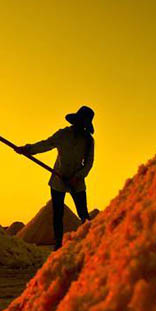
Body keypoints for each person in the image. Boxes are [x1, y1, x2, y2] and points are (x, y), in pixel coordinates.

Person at [16, 105, 95, 250]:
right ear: (75, 121)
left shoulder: (89, 141)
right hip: (59, 178)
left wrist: (77, 177)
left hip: (77, 181)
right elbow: (46, 144)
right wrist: (27, 149)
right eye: (79, 122)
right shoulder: (63, 134)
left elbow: (89, 163)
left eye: (83, 124)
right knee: (57, 213)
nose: (80, 126)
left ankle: (91, 243)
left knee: (83, 213)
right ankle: (58, 244)